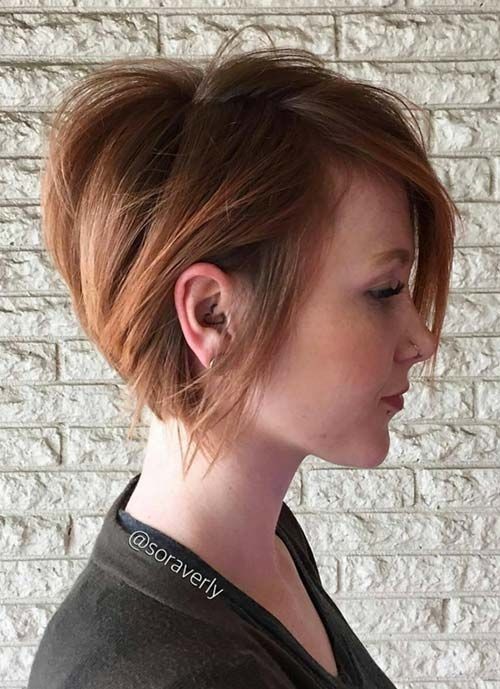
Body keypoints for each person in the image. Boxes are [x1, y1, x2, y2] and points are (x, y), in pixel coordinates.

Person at [27, 26, 459, 689]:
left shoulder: (263, 546)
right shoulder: (163, 674)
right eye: (384, 291)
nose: (422, 341)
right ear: (213, 315)